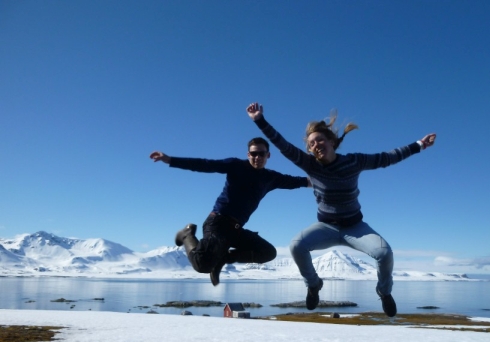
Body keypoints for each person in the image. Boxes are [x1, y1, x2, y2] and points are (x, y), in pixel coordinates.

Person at [246, 102, 437, 317]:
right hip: (325, 227)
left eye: (320, 139)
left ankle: (384, 292)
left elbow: (387, 158)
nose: (316, 144)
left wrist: (419, 144)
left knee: (384, 253)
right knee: (296, 246)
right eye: (311, 143)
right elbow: (282, 145)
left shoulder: (354, 161)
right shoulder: (310, 165)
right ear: (309, 149)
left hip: (356, 227)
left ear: (332, 142)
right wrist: (259, 120)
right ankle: (314, 284)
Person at [149, 137, 311, 285]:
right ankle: (186, 235)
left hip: (235, 229)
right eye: (254, 153)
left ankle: (222, 259)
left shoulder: (270, 177)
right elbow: (205, 164)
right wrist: (170, 159)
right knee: (202, 266)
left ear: (268, 155)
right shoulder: (236, 166)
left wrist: (322, 181)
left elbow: (297, 181)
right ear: (248, 154)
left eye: (261, 154)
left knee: (268, 253)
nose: (257, 157)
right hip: (217, 223)